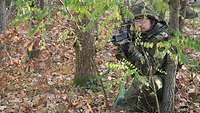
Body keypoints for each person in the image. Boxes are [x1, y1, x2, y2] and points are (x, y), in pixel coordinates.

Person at [112, 2, 177, 112]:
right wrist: (122, 47)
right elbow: (125, 62)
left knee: (140, 85)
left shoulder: (161, 38)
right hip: (144, 78)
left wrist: (130, 48)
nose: (139, 24)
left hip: (161, 81)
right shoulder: (141, 35)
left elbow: (149, 70)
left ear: (151, 19)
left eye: (142, 19)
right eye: (136, 20)